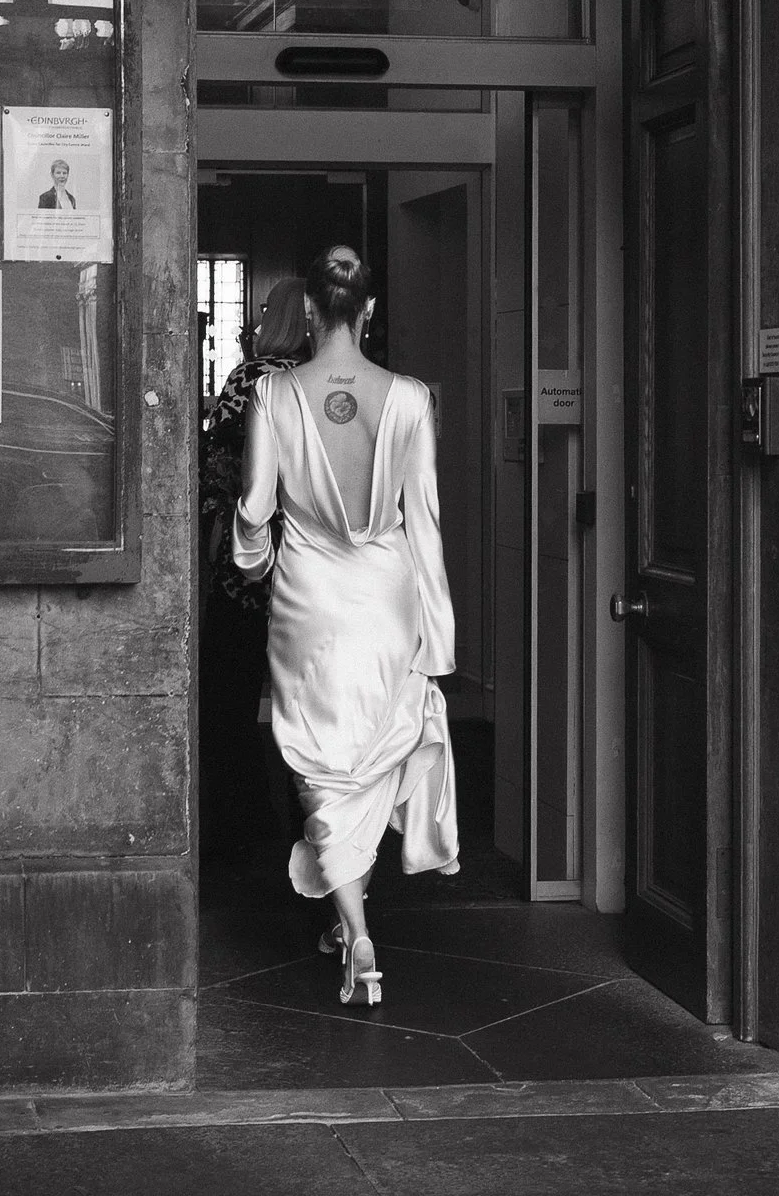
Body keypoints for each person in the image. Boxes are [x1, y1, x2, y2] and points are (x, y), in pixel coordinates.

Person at [232, 245, 459, 1008]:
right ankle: (354, 923)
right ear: (368, 312)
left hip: (310, 599)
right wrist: (439, 635)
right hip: (386, 597)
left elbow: (258, 508)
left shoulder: (274, 394)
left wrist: (252, 557)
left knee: (319, 767)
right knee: (366, 757)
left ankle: (356, 932)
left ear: (313, 316)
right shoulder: (409, 397)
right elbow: (423, 524)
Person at [198, 277, 313, 858]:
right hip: (309, 566)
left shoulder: (250, 379)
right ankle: (311, 832)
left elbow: (216, 462)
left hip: (250, 562)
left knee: (230, 697)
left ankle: (239, 828)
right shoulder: (320, 385)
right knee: (310, 708)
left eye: (267, 308)